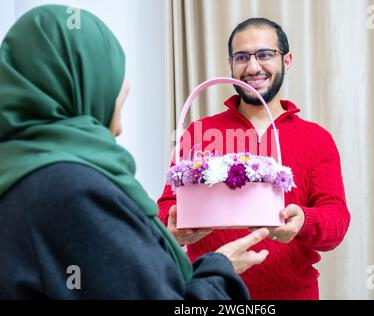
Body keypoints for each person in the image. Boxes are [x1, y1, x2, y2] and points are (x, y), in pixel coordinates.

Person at [0, 5, 271, 300]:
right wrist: (221, 270)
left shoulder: (17, 168)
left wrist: (159, 240)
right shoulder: (71, 187)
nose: (123, 86)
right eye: (110, 74)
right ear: (80, 82)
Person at [158, 18, 351, 300]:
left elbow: (336, 220)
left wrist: (303, 221)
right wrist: (173, 228)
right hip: (211, 293)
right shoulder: (199, 132)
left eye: (264, 55)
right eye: (242, 57)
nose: (253, 67)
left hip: (294, 294)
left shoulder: (316, 138)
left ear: (287, 61)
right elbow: (167, 205)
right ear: (230, 64)